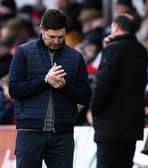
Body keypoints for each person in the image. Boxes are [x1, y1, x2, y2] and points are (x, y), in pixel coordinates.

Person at [9, 9, 91, 168]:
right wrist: (45, 80)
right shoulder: (23, 52)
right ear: (41, 29)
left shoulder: (76, 57)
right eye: (51, 37)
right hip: (30, 132)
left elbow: (85, 96)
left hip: (63, 133)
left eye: (61, 37)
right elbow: (14, 89)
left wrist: (64, 87)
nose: (56, 41)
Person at [91, 13, 148, 168]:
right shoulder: (141, 51)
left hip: (111, 125)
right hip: (132, 125)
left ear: (115, 27)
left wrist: (94, 109)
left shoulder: (113, 50)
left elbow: (103, 86)